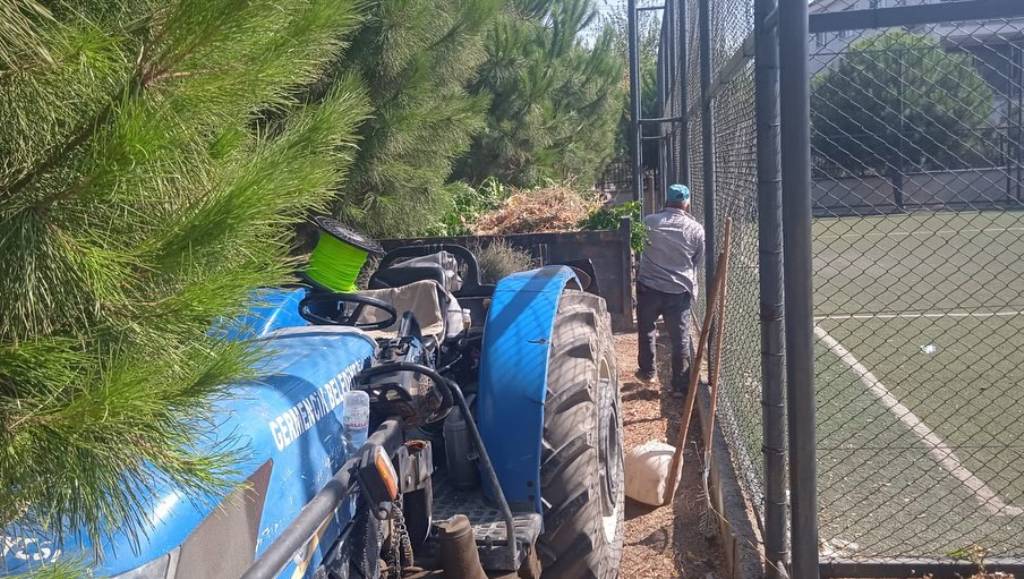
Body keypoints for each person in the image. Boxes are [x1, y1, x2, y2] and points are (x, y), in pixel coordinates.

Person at [635, 183, 705, 395]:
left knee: (646, 328)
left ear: (666, 199)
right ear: (687, 203)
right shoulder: (696, 229)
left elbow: (639, 248)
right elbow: (697, 260)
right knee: (680, 338)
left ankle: (648, 372)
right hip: (678, 291)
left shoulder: (649, 222)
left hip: (649, 286)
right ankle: (679, 386)